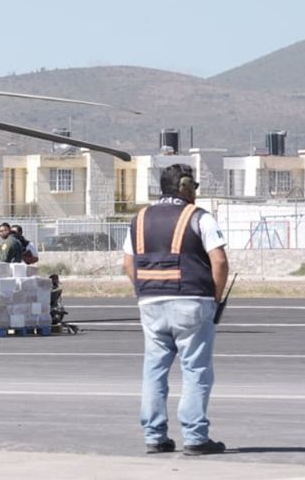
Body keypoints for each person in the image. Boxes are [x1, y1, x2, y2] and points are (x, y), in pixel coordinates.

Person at [123, 164, 229, 456]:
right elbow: (219, 261)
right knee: (196, 369)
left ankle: (155, 435)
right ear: (184, 186)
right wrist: (215, 299)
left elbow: (128, 263)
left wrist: (144, 290)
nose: (195, 191)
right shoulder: (198, 217)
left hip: (150, 303)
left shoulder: (139, 218)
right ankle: (195, 436)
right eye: (193, 185)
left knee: (154, 370)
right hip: (192, 301)